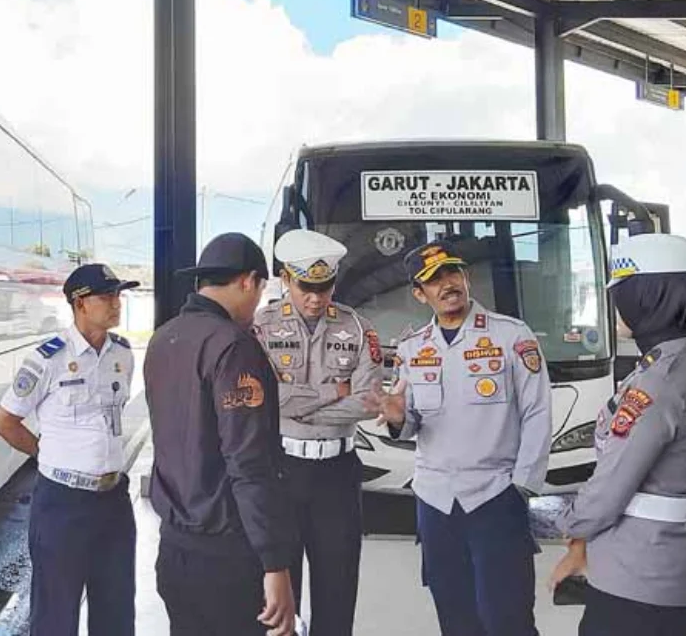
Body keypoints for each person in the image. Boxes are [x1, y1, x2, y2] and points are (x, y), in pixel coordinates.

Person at [369, 240, 551, 636]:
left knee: (508, 619)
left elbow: (537, 413)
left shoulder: (511, 336)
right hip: (436, 502)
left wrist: (522, 486)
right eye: (433, 280)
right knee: (455, 619)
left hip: (495, 495)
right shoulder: (413, 348)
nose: (446, 284)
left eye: (452, 272)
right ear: (420, 294)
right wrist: (400, 419)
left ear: (466, 277)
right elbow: (412, 422)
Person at [550, 233, 686, 636]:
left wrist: (570, 522)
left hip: (641, 578)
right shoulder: (682, 367)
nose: (614, 305)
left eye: (621, 293)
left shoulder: (658, 383)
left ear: (647, 297)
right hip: (675, 564)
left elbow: (611, 486)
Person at [145, 232, 299, 636]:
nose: (259, 302)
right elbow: (248, 462)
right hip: (228, 559)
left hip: (175, 549)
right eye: (261, 289)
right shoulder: (232, 346)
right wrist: (275, 563)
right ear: (248, 281)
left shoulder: (164, 338)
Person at [0, 263, 140, 636]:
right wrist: (46, 454)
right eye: (106, 296)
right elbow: (5, 422)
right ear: (79, 304)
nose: (116, 304)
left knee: (117, 610)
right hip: (63, 503)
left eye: (118, 295)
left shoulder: (123, 355)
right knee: (57, 615)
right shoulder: (48, 359)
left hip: (113, 501)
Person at [252, 229, 381, 636]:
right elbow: (265, 401)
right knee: (277, 594)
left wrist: (298, 403)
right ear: (287, 279)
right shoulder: (262, 327)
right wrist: (332, 393)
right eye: (306, 286)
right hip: (281, 469)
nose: (315, 297)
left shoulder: (358, 328)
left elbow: (366, 402)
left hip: (337, 472)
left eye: (324, 287)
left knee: (338, 588)